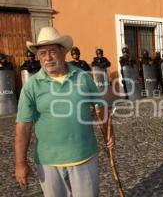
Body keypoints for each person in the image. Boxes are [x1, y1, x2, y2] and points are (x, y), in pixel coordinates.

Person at [15, 27, 113, 197]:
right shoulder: (32, 85)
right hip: (48, 162)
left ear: (63, 52)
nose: (47, 57)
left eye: (52, 51)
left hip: (85, 158)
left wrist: (109, 135)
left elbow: (100, 106)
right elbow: (23, 126)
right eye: (43, 53)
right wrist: (20, 162)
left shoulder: (82, 77)